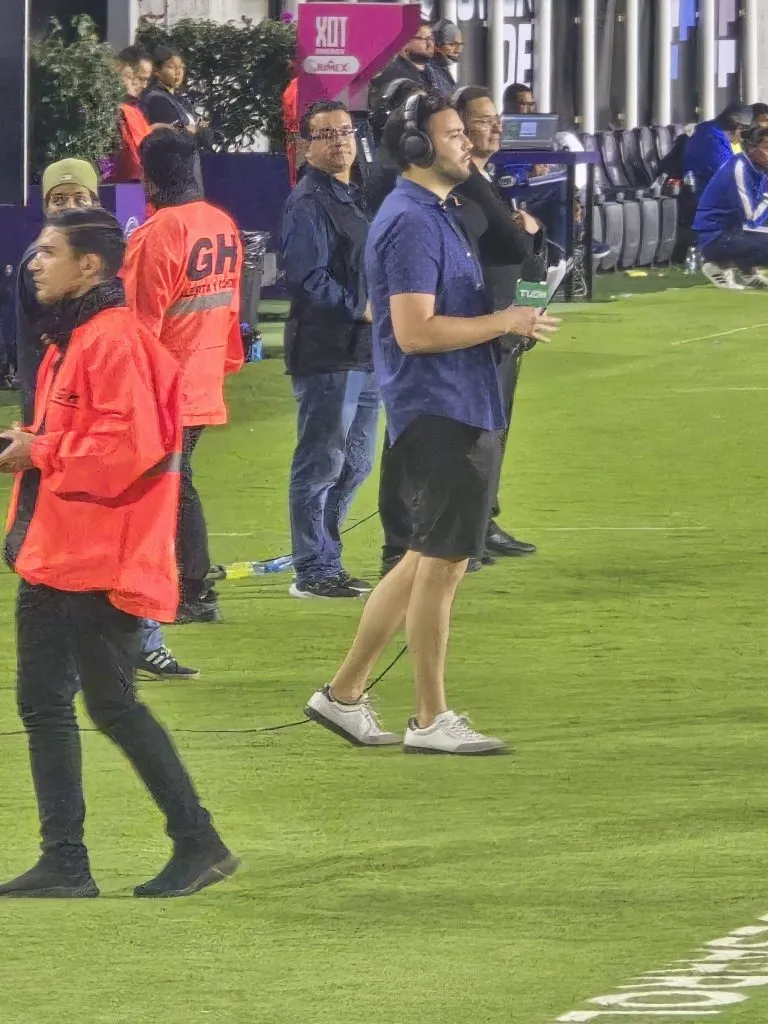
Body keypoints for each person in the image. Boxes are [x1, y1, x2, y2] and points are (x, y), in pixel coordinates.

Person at [304, 94, 559, 755]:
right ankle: (428, 719)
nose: (467, 145)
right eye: (453, 135)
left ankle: (344, 694)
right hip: (440, 403)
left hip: (455, 399)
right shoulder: (413, 222)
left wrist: (516, 314)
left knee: (425, 557)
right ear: (418, 149)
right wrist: (504, 322)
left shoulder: (438, 212)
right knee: (444, 564)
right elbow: (416, 332)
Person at [0, 208, 238, 899]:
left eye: (49, 252)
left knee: (100, 706)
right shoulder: (75, 341)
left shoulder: (112, 342)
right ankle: (72, 860)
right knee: (70, 705)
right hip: (64, 548)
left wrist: (38, 449)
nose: (33, 263)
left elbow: (128, 450)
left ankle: (189, 841)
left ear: (91, 267)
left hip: (92, 552)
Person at [15, 158, 196, 681]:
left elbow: (127, 445)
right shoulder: (50, 275)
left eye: (78, 197)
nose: (68, 206)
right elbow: (39, 352)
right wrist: (38, 430)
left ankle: (143, 637)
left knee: (77, 700)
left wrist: (44, 447)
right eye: (57, 200)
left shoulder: (111, 319)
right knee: (103, 704)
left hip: (95, 469)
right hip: (65, 435)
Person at [122, 129, 244, 625]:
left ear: (147, 174)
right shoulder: (221, 223)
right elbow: (230, 307)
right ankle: (188, 588)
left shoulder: (155, 235)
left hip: (163, 385)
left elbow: (139, 325)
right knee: (175, 482)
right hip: (201, 377)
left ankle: (191, 590)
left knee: (171, 485)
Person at [281, 101, 377, 600]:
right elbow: (304, 277)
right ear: (306, 146)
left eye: (346, 131)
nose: (340, 141)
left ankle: (326, 555)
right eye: (327, 134)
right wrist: (358, 307)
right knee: (321, 461)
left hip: (363, 351)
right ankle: (311, 567)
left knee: (356, 461)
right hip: (327, 351)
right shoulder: (309, 202)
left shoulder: (354, 194)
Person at [454, 86, 541, 558]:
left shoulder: (488, 180)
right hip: (484, 323)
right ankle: (469, 529)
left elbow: (528, 258)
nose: (497, 126)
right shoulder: (465, 184)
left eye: (496, 119)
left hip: (509, 324)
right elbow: (516, 248)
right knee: (480, 430)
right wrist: (528, 231)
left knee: (497, 427)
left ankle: (484, 521)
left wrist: (532, 306)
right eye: (484, 119)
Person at [693, 124, 768, 291]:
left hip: (734, 231)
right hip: (715, 237)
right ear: (751, 149)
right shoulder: (739, 169)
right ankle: (718, 266)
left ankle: (748, 271)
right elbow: (753, 218)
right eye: (766, 148)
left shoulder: (760, 167)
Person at [683, 103, 752, 196]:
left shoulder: (708, 130)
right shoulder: (712, 139)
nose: (742, 137)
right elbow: (730, 175)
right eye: (744, 130)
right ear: (738, 126)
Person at [108, 45, 154, 183]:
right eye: (140, 78)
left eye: (146, 80)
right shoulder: (110, 109)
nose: (144, 85)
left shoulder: (135, 110)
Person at [368, 21, 434, 108]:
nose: (430, 44)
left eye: (431, 38)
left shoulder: (432, 72)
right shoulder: (392, 74)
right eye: (423, 39)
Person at [426, 20, 462, 97]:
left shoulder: (442, 68)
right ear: (437, 45)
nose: (458, 50)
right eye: (452, 44)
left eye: (459, 44)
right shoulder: (431, 71)